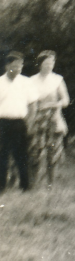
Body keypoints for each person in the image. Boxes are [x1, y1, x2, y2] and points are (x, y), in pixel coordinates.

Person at [28, 50, 70, 188]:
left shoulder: (58, 79)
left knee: (53, 152)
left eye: (52, 63)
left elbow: (65, 100)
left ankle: (50, 184)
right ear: (40, 64)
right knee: (35, 151)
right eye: (46, 63)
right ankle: (32, 183)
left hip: (54, 118)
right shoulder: (31, 80)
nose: (49, 65)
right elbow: (27, 100)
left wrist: (55, 104)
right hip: (37, 118)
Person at [0, 52, 37, 193]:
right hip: (2, 123)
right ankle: (1, 187)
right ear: (7, 65)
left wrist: (30, 123)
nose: (17, 69)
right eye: (14, 66)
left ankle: (25, 187)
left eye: (20, 66)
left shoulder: (26, 82)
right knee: (2, 155)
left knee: (21, 155)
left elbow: (33, 105)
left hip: (19, 123)